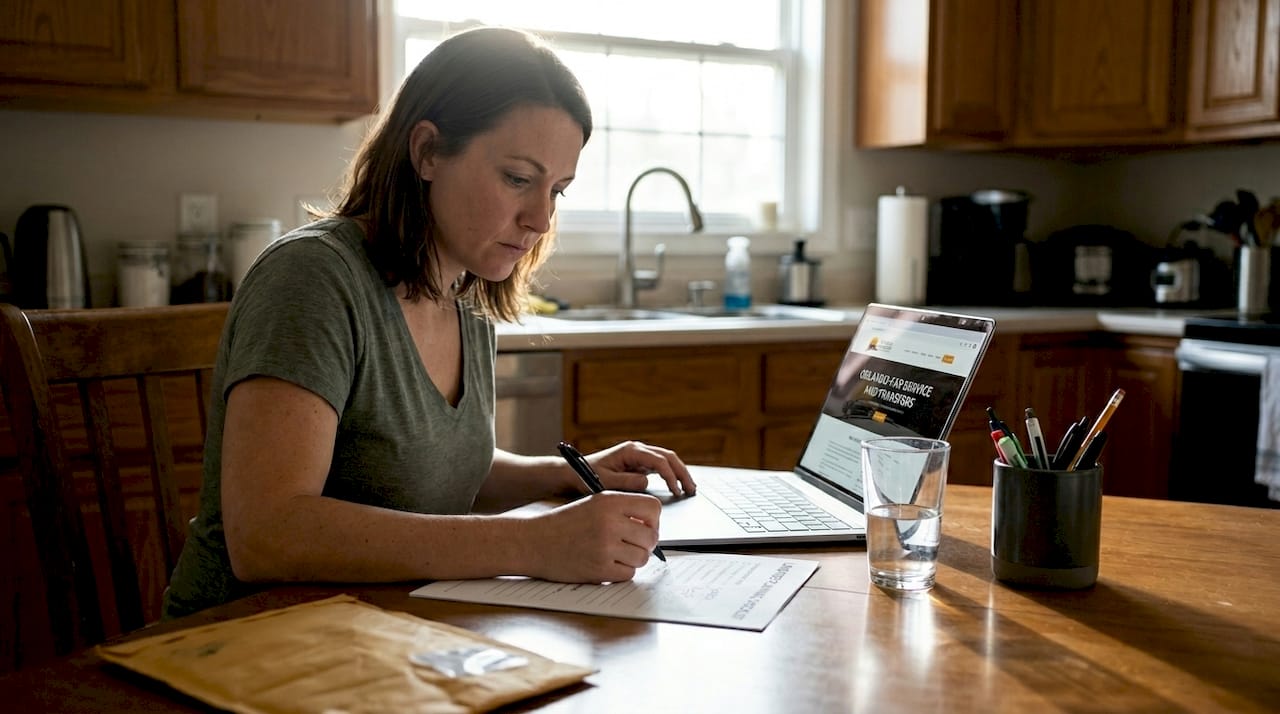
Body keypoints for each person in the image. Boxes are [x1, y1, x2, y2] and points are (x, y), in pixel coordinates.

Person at [163, 27, 695, 619]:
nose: (541, 218)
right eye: (519, 178)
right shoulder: (312, 279)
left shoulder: (463, 287)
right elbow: (267, 534)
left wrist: (568, 474)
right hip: (244, 646)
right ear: (427, 152)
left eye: (558, 191)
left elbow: (424, 462)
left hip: (383, 635)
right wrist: (535, 544)